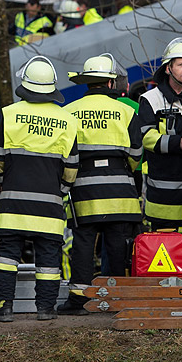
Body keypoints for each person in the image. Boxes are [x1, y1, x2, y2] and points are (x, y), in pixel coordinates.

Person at [0, 56, 78, 321]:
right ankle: (45, 309)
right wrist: (60, 190)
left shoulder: (8, 115)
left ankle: (4, 309)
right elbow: (72, 168)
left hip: (12, 204)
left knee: (6, 258)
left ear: (25, 84)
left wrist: (5, 185)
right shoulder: (66, 120)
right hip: (50, 205)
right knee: (49, 261)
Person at [59, 54, 142, 314]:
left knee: (83, 243)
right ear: (109, 84)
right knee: (117, 245)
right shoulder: (128, 111)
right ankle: (114, 298)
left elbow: (65, 154)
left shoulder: (68, 112)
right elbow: (137, 155)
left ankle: (78, 299)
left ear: (87, 83)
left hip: (84, 190)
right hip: (121, 190)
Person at [136, 38, 182, 245]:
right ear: (168, 68)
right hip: (164, 201)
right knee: (165, 260)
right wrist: (178, 143)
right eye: (181, 64)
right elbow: (146, 137)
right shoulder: (150, 99)